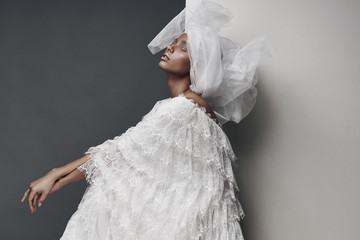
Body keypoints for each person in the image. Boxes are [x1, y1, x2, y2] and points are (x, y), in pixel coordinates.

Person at [21, 0, 274, 239]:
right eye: (174, 42)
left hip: (185, 226)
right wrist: (57, 179)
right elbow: (134, 161)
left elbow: (117, 153)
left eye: (184, 48)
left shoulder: (183, 109)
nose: (171, 48)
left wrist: (55, 175)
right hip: (186, 223)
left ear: (199, 65)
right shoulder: (195, 109)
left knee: (106, 195)